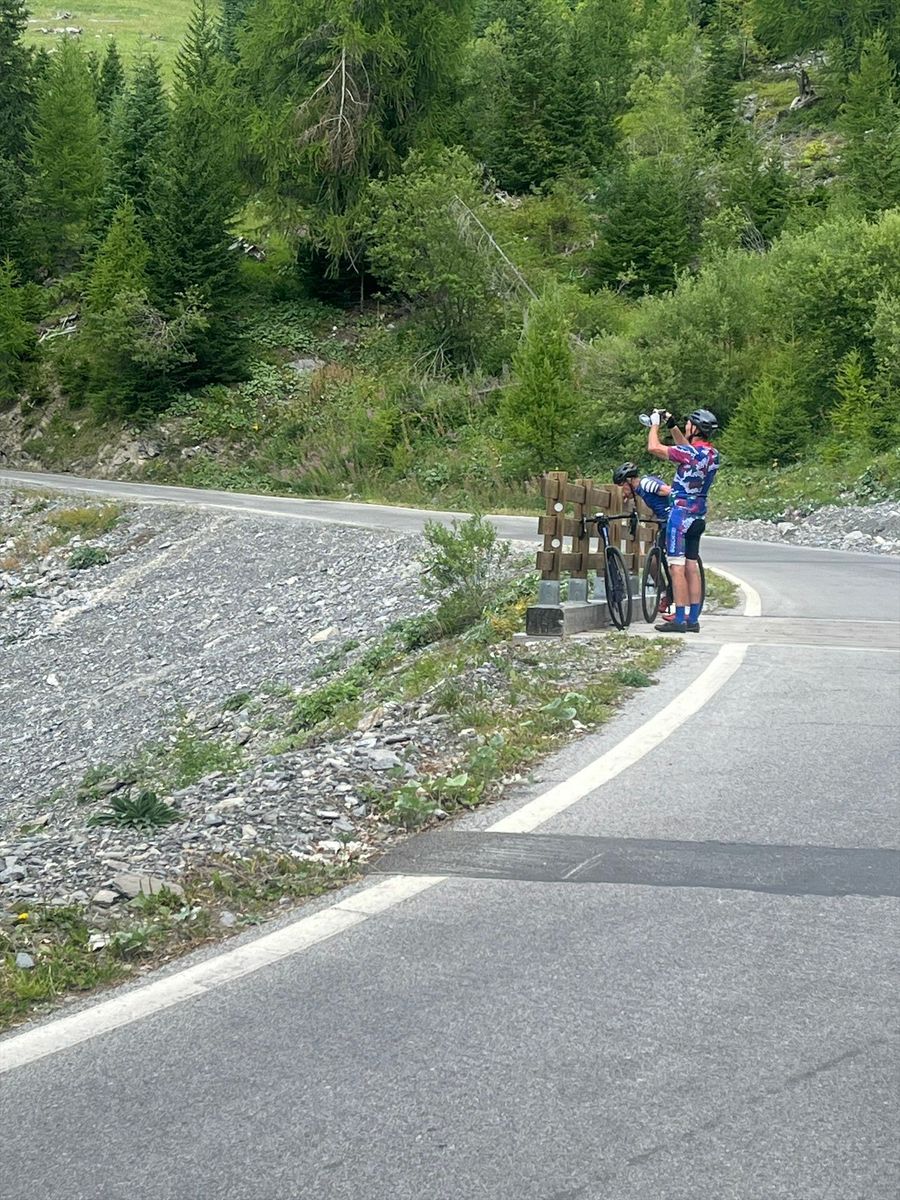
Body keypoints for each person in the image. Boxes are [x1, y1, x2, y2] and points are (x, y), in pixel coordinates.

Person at [646, 407, 719, 633]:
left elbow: (654, 447)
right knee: (691, 566)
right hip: (698, 515)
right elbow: (686, 448)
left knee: (675, 566)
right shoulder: (712, 455)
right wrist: (672, 425)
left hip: (680, 516)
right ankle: (693, 619)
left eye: (689, 424)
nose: (686, 426)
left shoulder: (689, 454)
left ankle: (679, 619)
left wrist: (655, 424)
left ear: (695, 428)